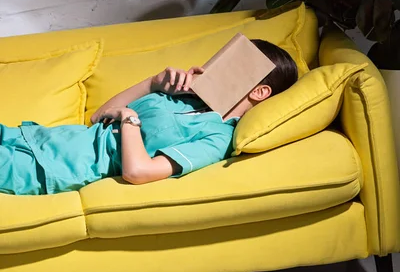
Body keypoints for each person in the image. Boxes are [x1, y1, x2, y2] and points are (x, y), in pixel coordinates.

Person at [0, 40, 297, 195]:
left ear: (259, 92)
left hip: (52, 167)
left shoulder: (218, 138)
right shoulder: (184, 96)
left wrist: (129, 118)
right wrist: (153, 83)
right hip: (40, 136)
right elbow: (98, 117)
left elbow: (138, 172)